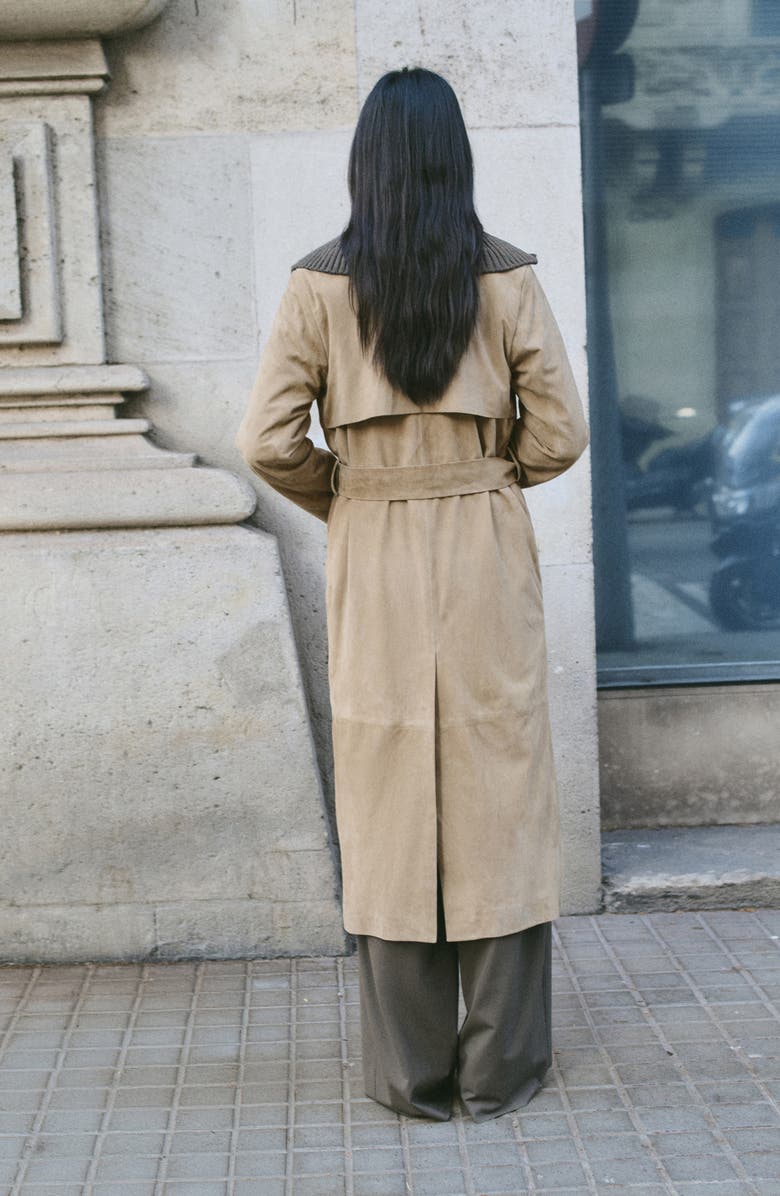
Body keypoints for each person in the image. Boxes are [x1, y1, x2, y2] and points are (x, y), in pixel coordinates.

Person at [235, 66, 589, 1123]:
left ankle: (411, 1072)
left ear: (366, 162)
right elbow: (561, 432)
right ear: (456, 157)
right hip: (483, 537)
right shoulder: (508, 275)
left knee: (389, 784)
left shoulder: (318, 283)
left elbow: (264, 440)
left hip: (374, 544)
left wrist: (350, 493)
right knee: (502, 780)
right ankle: (502, 1067)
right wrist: (486, 479)